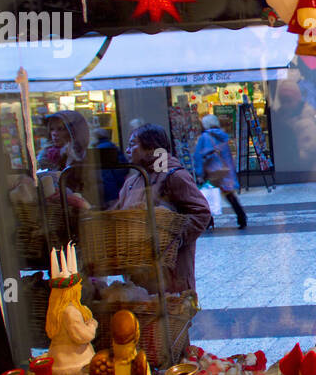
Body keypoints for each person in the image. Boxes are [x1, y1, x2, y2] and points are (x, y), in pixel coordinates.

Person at [116, 124, 213, 295]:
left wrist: (173, 239)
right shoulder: (132, 181)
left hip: (171, 276)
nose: (127, 150)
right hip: (139, 272)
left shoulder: (173, 175)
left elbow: (202, 213)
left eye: (133, 144)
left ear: (151, 148)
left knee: (171, 318)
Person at [192, 113, 247, 230]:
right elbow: (227, 156)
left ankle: (208, 222)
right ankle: (242, 217)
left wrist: (200, 173)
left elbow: (199, 156)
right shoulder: (223, 136)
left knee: (206, 197)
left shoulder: (204, 137)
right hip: (224, 171)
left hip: (211, 172)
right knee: (229, 195)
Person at [91, 128, 129, 208]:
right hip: (116, 187)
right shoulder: (113, 147)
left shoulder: (100, 150)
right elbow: (125, 167)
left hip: (108, 189)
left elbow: (103, 174)